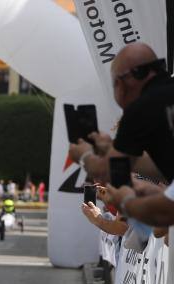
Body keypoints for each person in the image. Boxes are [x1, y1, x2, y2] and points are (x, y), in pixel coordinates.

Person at [69, 43, 173, 185]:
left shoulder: (139, 110)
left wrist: (84, 156)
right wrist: (111, 149)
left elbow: (109, 173)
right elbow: (164, 168)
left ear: (120, 83)